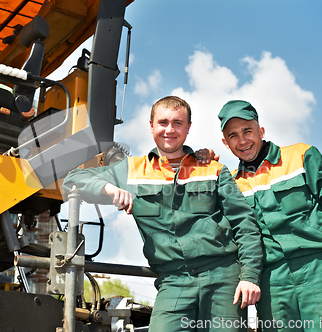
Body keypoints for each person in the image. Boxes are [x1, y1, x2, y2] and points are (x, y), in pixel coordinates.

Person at [63, 96, 263, 332]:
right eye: (163, 122)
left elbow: (245, 224)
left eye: (178, 123)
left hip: (223, 276)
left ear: (188, 128)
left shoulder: (212, 169)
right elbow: (72, 180)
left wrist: (249, 275)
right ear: (151, 126)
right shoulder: (132, 170)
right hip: (173, 280)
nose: (170, 129)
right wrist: (108, 187)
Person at [206, 100, 322, 331]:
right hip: (271, 282)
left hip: (320, 269)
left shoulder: (301, 155)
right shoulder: (230, 184)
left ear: (261, 131)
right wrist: (201, 162)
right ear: (225, 143)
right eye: (233, 135)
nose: (242, 140)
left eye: (247, 131)